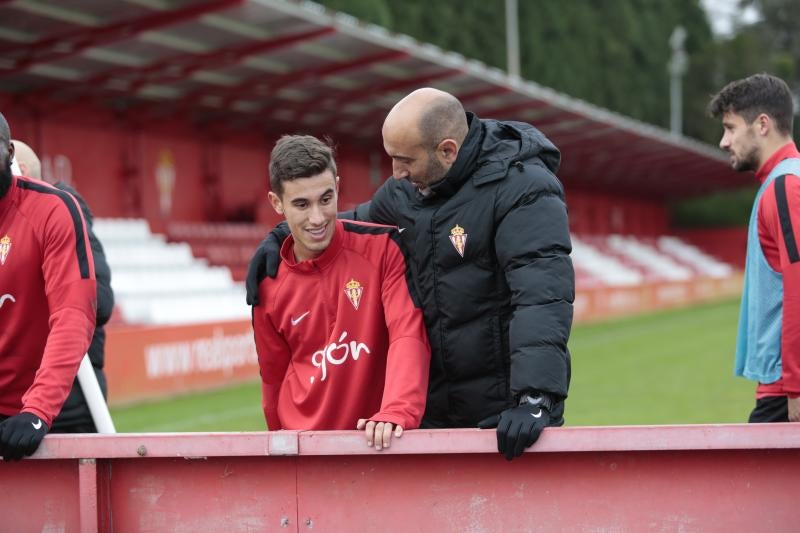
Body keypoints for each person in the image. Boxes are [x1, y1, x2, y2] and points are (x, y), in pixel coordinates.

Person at [248, 88, 574, 460]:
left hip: (504, 415)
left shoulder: (524, 188)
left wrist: (535, 397)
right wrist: (279, 237)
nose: (395, 172)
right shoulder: (407, 190)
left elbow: (541, 295)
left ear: (447, 151)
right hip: (431, 415)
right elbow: (351, 222)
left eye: (404, 160)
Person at [252, 134, 430, 450]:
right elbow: (273, 380)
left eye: (326, 198)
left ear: (337, 186)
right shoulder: (266, 281)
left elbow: (407, 333)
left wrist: (396, 410)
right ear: (276, 203)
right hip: (305, 450)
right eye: (301, 204)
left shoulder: (382, 249)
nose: (318, 218)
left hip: (376, 441)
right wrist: (279, 445)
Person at [0, 113, 96, 460]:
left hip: (35, 411)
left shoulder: (51, 209)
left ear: (9, 152)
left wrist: (37, 410)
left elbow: (73, 314)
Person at [709, 73, 800, 423]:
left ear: (762, 125)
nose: (723, 141)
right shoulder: (783, 183)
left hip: (784, 392)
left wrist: (794, 386)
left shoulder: (784, 187)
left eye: (731, 128)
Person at [12, 139, 114, 433]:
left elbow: (101, 301)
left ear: (21, 170)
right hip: (21, 403)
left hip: (71, 405)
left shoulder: (64, 214)